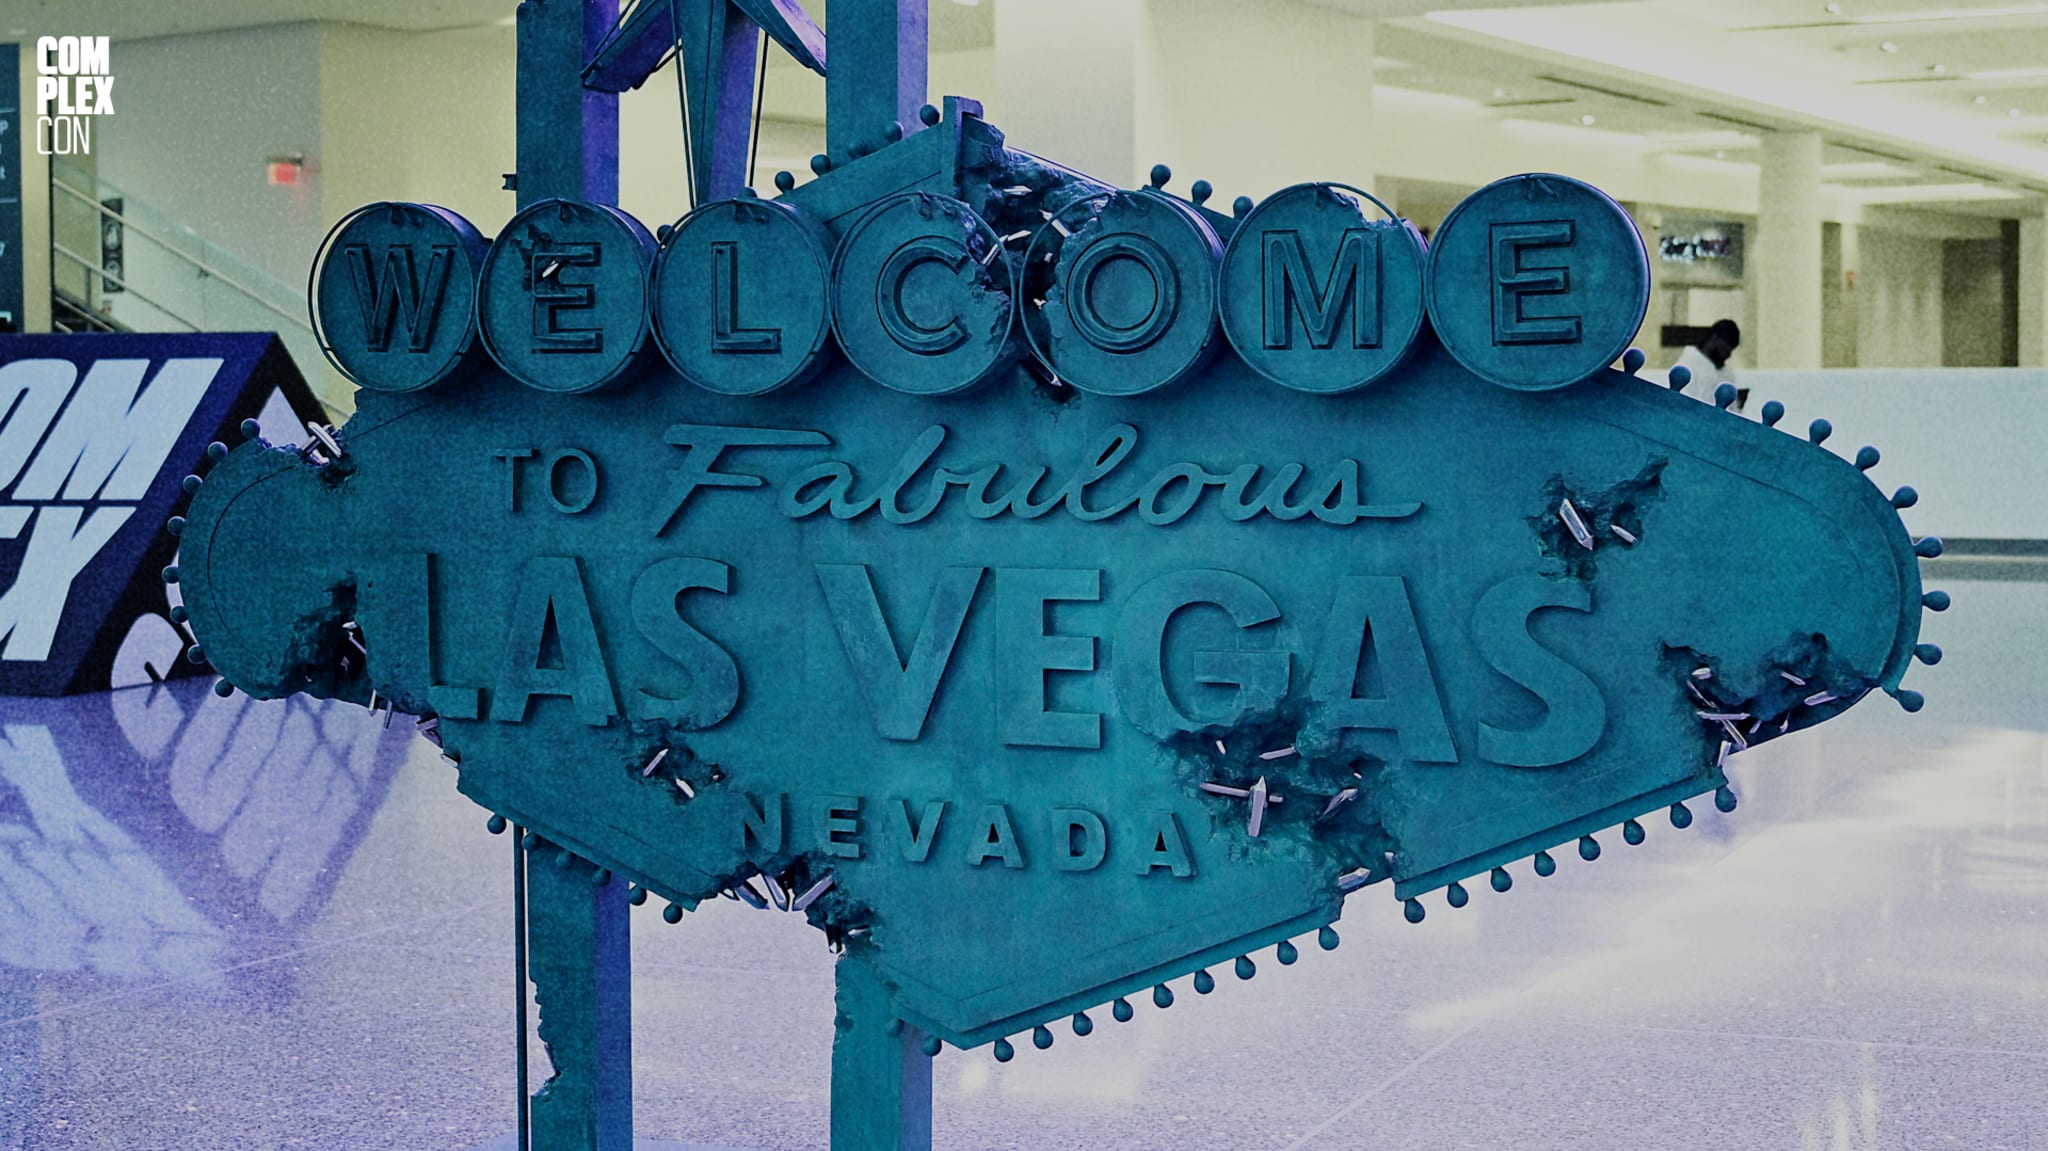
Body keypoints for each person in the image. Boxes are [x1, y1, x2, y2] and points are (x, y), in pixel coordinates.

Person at [1672, 319, 1741, 407]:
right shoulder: (1688, 364)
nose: (1728, 355)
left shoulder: (1727, 373)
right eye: (1725, 348)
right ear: (1715, 338)